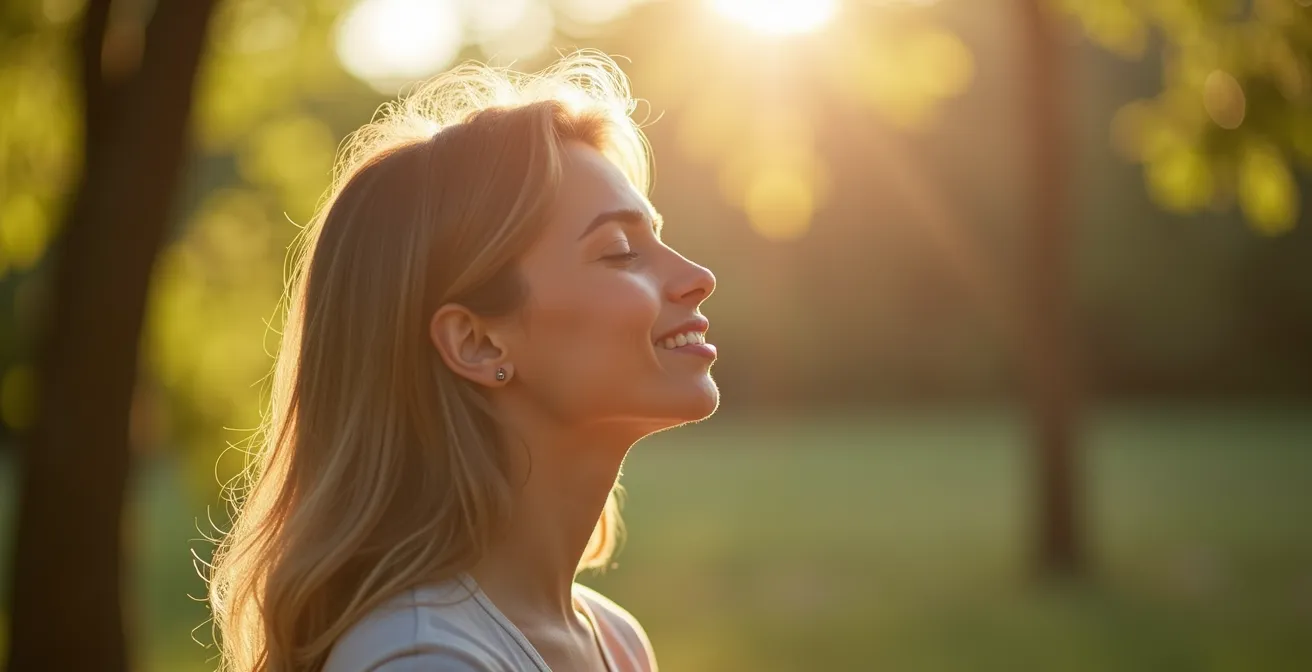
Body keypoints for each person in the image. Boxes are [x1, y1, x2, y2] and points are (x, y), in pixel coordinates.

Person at [205, 50, 718, 672]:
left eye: (656, 236)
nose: (698, 276)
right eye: (619, 251)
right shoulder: (422, 658)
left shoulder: (615, 641)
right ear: (477, 342)